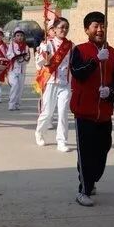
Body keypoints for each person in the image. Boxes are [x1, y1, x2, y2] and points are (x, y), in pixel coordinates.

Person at [70, 12, 114, 206]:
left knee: (102, 151)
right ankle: (83, 189)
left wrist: (109, 93)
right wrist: (94, 61)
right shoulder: (80, 50)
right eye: (95, 26)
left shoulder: (113, 53)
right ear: (87, 30)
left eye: (102, 26)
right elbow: (77, 73)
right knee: (86, 152)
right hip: (84, 112)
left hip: (105, 113)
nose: (100, 30)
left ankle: (91, 178)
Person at [34, 18, 72, 150]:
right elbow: (40, 63)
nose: (64, 30)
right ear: (54, 30)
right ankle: (39, 132)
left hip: (65, 83)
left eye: (66, 27)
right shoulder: (47, 44)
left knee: (63, 112)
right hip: (50, 82)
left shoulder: (70, 45)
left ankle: (62, 141)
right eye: (61, 27)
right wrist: (44, 55)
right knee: (48, 112)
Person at [7, 27, 31, 112]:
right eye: (17, 35)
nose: (19, 37)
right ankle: (11, 104)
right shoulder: (11, 45)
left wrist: (23, 58)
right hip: (13, 70)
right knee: (15, 85)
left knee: (20, 88)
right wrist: (15, 56)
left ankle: (17, 104)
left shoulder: (26, 47)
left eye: (21, 35)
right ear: (14, 36)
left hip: (22, 70)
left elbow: (28, 58)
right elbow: (8, 55)